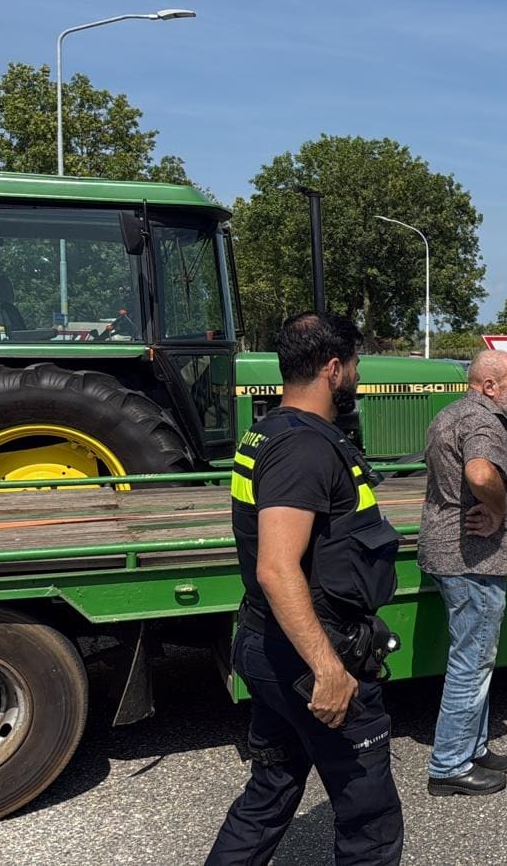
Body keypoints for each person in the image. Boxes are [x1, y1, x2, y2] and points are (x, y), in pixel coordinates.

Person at [208, 313, 404, 866]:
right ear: (333, 369)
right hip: (308, 653)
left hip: (270, 644)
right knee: (370, 818)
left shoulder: (270, 430)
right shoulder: (304, 448)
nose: (358, 376)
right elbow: (276, 567)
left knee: (270, 791)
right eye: (356, 364)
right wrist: (327, 668)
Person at [417, 350, 507, 797]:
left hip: (448, 551)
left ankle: (474, 747)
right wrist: (499, 509)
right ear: (489, 386)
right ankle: (449, 765)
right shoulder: (483, 423)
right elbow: (481, 474)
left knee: (475, 657)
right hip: (473, 559)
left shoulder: (451, 414)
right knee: (472, 661)